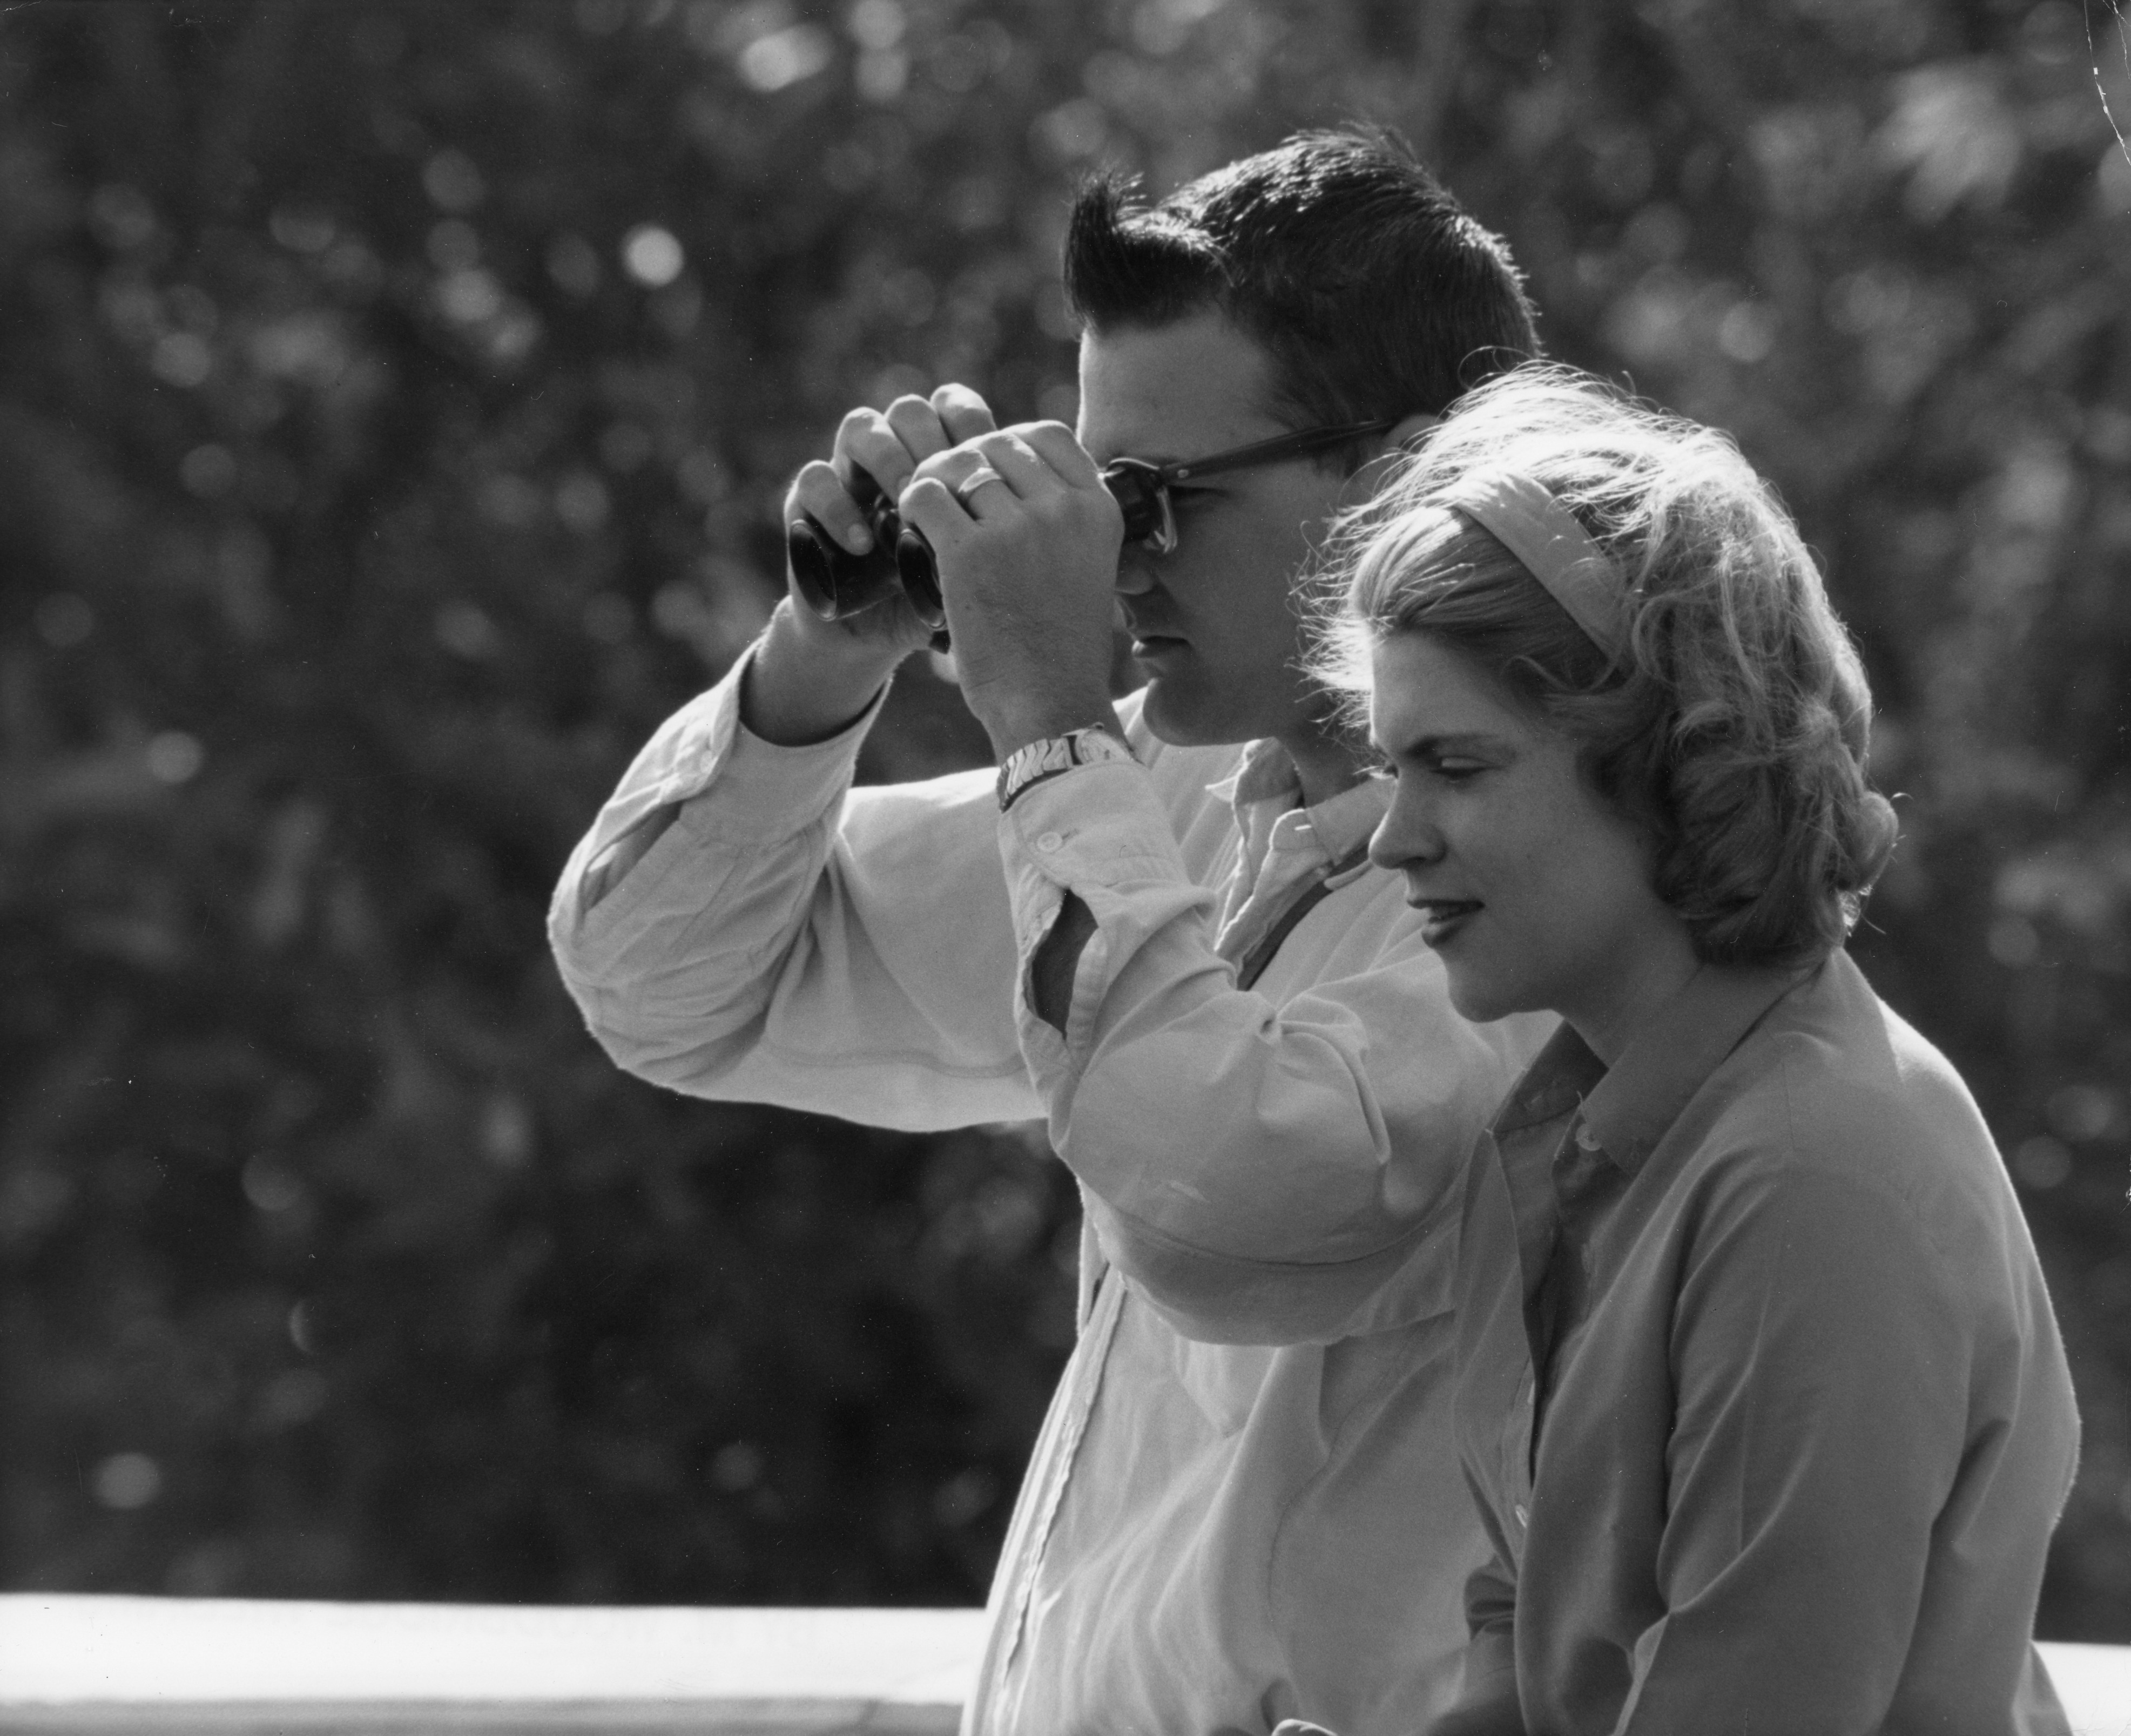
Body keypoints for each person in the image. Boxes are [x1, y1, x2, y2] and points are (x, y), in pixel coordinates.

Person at [548, 129, 1554, 1731]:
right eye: (1091, 496)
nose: (1111, 560)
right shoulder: (1175, 790)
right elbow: (666, 985)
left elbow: (1233, 1202)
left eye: (1150, 498)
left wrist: (1043, 723)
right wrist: (831, 652)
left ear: (1408, 477)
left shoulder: (1552, 881)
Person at [1320, 363, 2080, 1734]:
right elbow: (1531, 1632)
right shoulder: (1584, 1126)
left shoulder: (1809, 1172)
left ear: (1666, 758)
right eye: (1390, 768)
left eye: (1460, 766)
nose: (1394, 837)